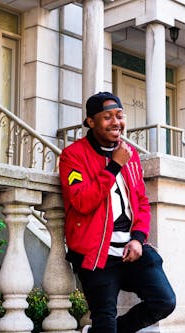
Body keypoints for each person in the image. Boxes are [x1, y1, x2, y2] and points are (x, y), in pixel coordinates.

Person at [59, 91, 176, 333]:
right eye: (107, 117)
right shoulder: (74, 156)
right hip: (96, 253)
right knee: (104, 319)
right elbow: (81, 201)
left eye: (120, 116)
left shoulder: (129, 156)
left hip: (130, 249)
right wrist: (114, 165)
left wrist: (138, 239)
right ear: (91, 122)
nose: (116, 122)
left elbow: (142, 202)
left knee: (164, 301)